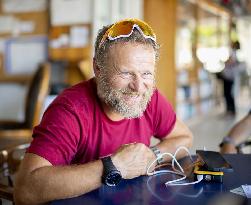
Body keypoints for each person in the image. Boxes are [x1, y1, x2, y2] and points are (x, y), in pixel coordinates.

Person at [14, 19, 193, 205]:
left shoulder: (150, 98)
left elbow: (184, 137)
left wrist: (152, 155)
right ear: (98, 69)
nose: (138, 87)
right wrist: (114, 167)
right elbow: (25, 190)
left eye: (146, 73)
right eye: (126, 73)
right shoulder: (71, 109)